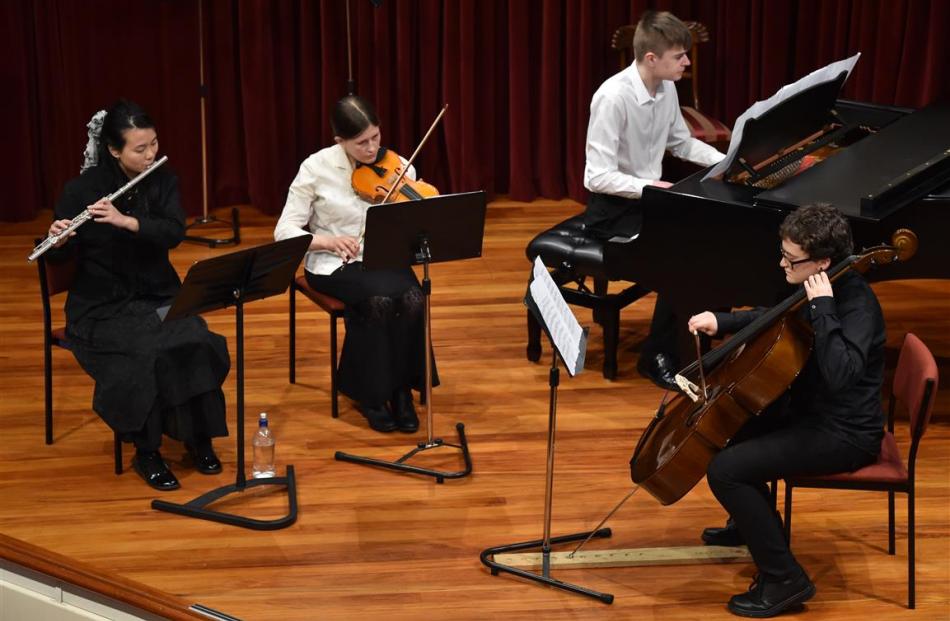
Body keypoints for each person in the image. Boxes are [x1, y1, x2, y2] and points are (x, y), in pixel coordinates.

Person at [688, 204, 885, 617]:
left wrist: (824, 308)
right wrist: (720, 320)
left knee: (726, 470)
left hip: (844, 433)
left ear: (823, 262)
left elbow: (840, 375)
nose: (781, 263)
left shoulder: (855, 305)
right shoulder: (819, 282)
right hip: (812, 411)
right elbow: (775, 317)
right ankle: (750, 524)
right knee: (730, 428)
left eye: (790, 258)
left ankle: (784, 579)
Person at [47, 99, 230, 492]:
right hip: (102, 308)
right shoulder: (82, 189)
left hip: (158, 294)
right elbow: (61, 257)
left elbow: (173, 232)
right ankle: (146, 450)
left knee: (195, 338)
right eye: (140, 148)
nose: (151, 154)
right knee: (147, 352)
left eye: (153, 144)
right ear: (114, 149)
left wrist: (127, 221)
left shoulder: (162, 179)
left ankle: (198, 436)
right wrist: (57, 239)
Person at [583, 10, 726, 390]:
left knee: (717, 236)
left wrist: (728, 162)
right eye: (679, 55)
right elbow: (596, 176)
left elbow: (680, 142)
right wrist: (650, 188)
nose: (687, 62)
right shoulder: (612, 98)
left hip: (648, 199)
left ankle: (700, 336)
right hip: (611, 210)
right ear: (651, 58)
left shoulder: (667, 89)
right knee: (681, 253)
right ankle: (657, 356)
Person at [274, 95, 433, 433]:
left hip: (383, 257)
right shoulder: (315, 169)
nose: (373, 148)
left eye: (376, 137)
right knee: (377, 302)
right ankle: (372, 396)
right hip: (334, 263)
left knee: (413, 299)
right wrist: (328, 241)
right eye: (362, 142)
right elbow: (284, 230)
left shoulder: (399, 165)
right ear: (339, 141)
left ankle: (402, 390)